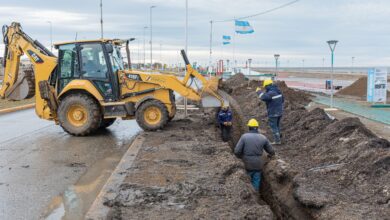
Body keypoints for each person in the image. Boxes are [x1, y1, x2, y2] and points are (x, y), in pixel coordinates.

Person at [234, 119, 275, 191]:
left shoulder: (244, 137)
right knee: (256, 179)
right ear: (257, 127)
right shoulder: (263, 137)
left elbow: (237, 151)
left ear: (249, 127)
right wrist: (271, 155)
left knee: (247, 179)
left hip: (247, 163)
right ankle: (256, 193)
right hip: (258, 163)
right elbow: (271, 151)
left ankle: (250, 195)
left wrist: (239, 157)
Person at [257, 79, 284, 145]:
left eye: (265, 87)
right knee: (277, 125)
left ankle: (277, 141)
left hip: (273, 112)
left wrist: (259, 91)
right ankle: (278, 136)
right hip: (279, 111)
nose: (265, 88)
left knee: (273, 126)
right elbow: (282, 100)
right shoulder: (278, 91)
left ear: (267, 86)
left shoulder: (271, 93)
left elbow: (263, 97)